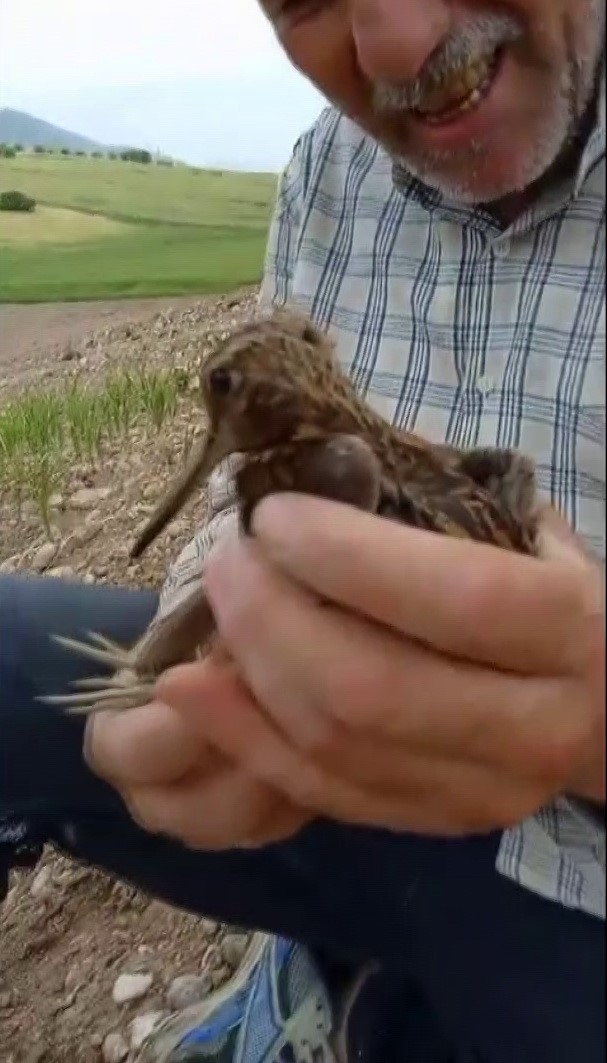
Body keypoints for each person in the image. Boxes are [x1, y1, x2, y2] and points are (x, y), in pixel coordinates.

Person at [1, 2, 605, 1061]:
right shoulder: (330, 174)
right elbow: (238, 519)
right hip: (321, 786)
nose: (398, 49)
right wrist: (191, 679)